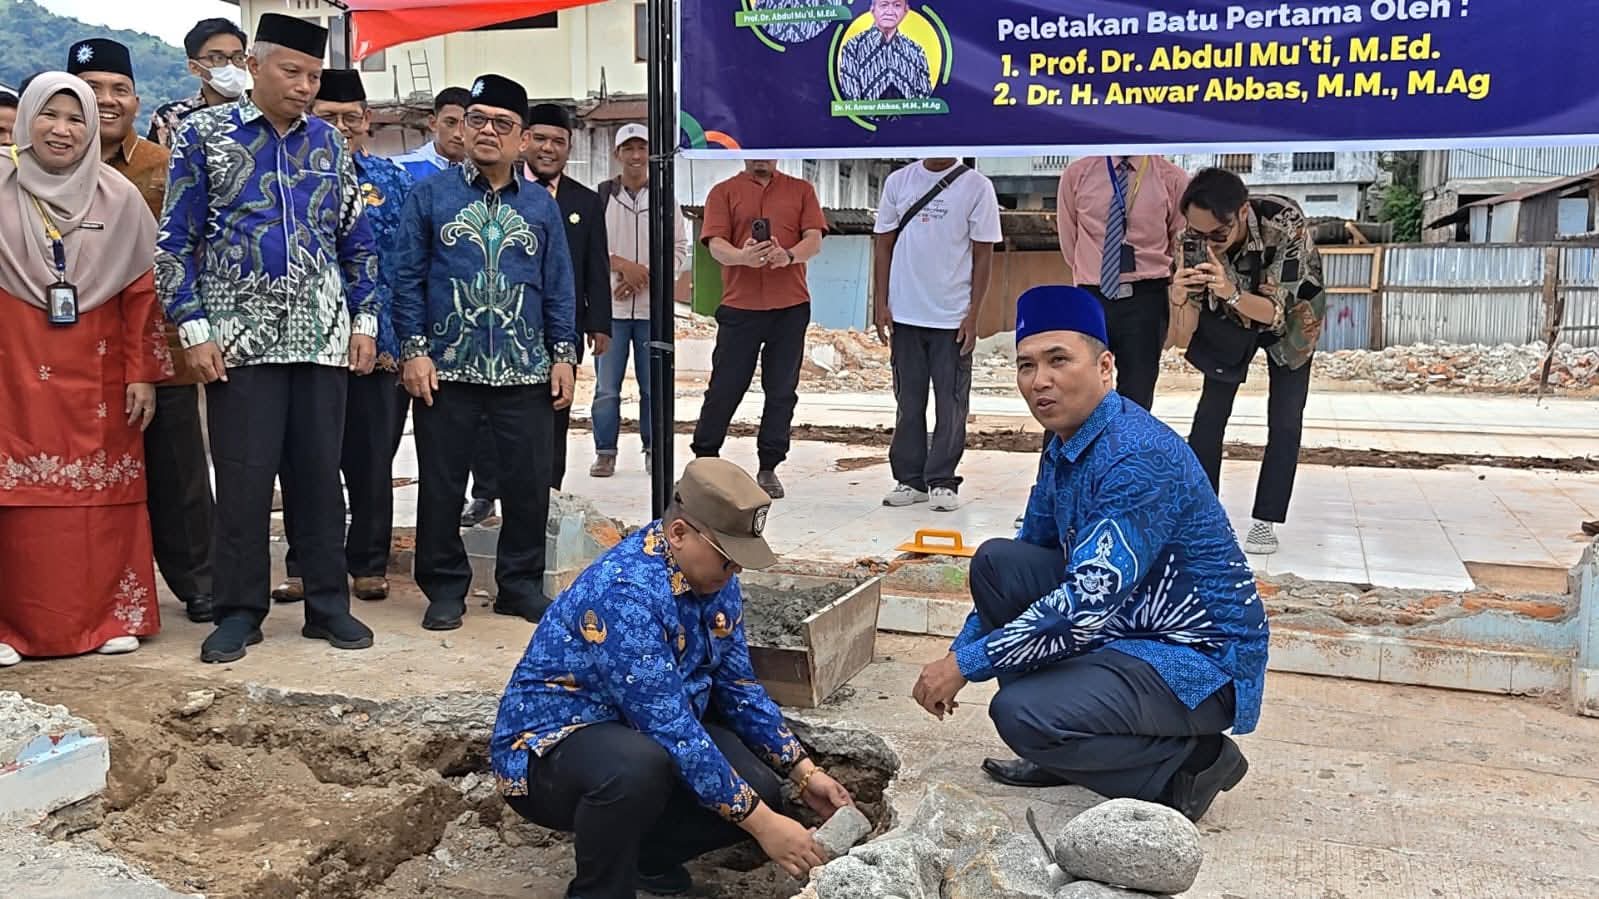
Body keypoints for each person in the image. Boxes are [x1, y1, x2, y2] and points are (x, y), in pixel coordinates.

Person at [910, 285, 1268, 823]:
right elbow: (1031, 551)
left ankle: (1190, 765)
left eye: (1059, 360)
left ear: (1105, 367)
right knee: (998, 562)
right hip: (1125, 625)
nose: (1040, 381)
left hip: (1195, 662)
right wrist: (958, 650)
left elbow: (1086, 598)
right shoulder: (1065, 444)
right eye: (1026, 365)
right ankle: (1066, 752)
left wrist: (965, 665)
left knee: (1020, 714)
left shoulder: (1137, 455)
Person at [491, 458, 855, 898]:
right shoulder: (624, 593)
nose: (734, 572)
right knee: (637, 767)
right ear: (679, 534)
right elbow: (670, 729)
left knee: (761, 788)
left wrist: (803, 772)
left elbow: (738, 687)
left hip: (643, 737)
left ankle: (646, 857)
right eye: (727, 558)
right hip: (552, 751)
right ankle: (600, 889)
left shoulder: (715, 579)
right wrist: (765, 827)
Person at [157, 14, 381, 664]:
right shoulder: (203, 136)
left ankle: (327, 607)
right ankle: (238, 610)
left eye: (313, 75)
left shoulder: (330, 145)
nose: (306, 86)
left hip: (321, 340)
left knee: (318, 479)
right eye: (293, 71)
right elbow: (174, 243)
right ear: (254, 67)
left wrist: (364, 321)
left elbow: (357, 242)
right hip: (238, 343)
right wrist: (193, 328)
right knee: (245, 482)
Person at [392, 73, 578, 630]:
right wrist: (413, 350)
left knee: (527, 483)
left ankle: (518, 585)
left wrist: (563, 354)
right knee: (443, 484)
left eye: (503, 124)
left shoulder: (541, 208)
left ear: (522, 138)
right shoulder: (430, 195)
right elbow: (406, 277)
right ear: (462, 127)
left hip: (525, 369)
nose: (488, 132)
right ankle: (445, 587)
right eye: (478, 120)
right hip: (447, 368)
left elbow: (559, 285)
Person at [0, 73, 168, 666]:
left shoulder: (119, 197)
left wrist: (143, 371)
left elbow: (141, 295)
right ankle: (11, 627)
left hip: (99, 375)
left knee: (101, 500)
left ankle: (109, 618)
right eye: (49, 115)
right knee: (17, 500)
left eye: (77, 119)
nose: (62, 130)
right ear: (26, 122)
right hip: (13, 369)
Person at [69, 38, 216, 625]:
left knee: (179, 473)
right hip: (75, 355)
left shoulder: (165, 165)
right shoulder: (42, 170)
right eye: (92, 89)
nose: (107, 100)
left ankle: (200, 584)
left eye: (118, 89)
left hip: (165, 349)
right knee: (91, 478)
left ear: (137, 99)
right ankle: (97, 589)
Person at [271, 70, 414, 606]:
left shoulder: (394, 182)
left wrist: (398, 341)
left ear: (367, 121)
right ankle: (306, 563)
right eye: (327, 117)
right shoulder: (289, 178)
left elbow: (404, 264)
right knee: (307, 458)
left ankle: (368, 563)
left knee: (372, 460)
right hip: (309, 346)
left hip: (379, 349)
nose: (340, 127)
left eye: (349, 117)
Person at [460, 102, 610, 525]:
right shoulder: (494, 194)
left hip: (559, 332)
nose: (548, 149)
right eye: (541, 139)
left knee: (554, 417)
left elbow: (594, 265)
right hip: (501, 326)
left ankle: (548, 493)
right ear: (525, 140)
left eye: (558, 142)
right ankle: (485, 492)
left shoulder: (585, 200)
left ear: (569, 147)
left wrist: (599, 322)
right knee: (489, 416)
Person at [1178, 167, 1326, 556]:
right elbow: (1187, 326)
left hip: (1293, 316)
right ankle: (1202, 515)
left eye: (1217, 235)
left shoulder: (1284, 220)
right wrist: (1179, 295)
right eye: (1198, 234)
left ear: (1242, 212)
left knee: (1285, 416)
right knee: (1210, 413)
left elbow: (1276, 312)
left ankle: (1266, 520)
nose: (1209, 244)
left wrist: (1228, 290)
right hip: (1232, 319)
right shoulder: (1193, 237)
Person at [873, 158, 1001, 512]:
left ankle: (943, 480)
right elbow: (883, 244)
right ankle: (909, 479)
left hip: (952, 316)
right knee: (908, 402)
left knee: (952, 403)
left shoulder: (977, 186)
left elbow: (984, 253)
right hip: (906, 314)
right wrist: (881, 303)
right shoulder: (899, 181)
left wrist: (973, 314)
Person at [692, 160, 826, 499]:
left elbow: (814, 238)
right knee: (725, 386)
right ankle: (705, 458)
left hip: (790, 305)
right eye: (756, 153)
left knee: (781, 389)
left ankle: (769, 466)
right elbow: (715, 243)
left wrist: (789, 255)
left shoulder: (801, 190)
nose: (762, 160)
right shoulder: (723, 192)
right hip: (740, 305)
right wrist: (742, 256)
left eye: (769, 153)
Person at [591, 122, 689, 478]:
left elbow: (678, 249)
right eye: (628, 149)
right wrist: (622, 266)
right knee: (606, 388)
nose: (635, 156)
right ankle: (605, 451)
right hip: (611, 310)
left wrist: (643, 275)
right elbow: (592, 249)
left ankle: (653, 449)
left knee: (653, 387)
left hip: (652, 311)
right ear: (618, 154)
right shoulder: (601, 196)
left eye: (641, 148)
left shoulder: (665, 198)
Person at [1056, 155, 1189, 411]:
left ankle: (1125, 451)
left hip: (1146, 299)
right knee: (1075, 388)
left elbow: (1178, 240)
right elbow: (1070, 243)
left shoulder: (1172, 178)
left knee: (1137, 394)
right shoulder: (1077, 174)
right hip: (1091, 297)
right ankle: (1071, 452)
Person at [148, 18, 249, 148]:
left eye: (239, 58)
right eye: (218, 58)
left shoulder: (264, 115)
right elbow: (155, 164)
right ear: (194, 67)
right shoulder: (170, 117)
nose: (230, 66)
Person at [838, 0, 933, 102]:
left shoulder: (916, 52)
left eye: (897, 5)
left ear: (906, 10)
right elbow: (851, 102)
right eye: (884, 5)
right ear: (872, 8)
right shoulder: (853, 47)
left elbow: (925, 102)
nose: (890, 11)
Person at [390, 86, 470, 183]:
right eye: (450, 123)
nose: (458, 134)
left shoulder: (483, 173)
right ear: (433, 123)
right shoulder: (400, 168)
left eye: (466, 125)